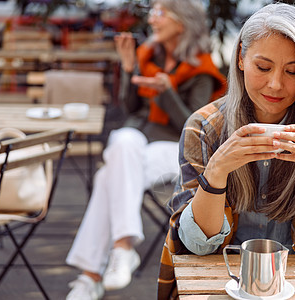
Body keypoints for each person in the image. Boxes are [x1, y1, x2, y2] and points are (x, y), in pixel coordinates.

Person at [157, 3, 295, 299]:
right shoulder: (205, 127)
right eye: (263, 67)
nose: (276, 85)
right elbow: (198, 245)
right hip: (217, 285)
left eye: (293, 71)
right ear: (240, 57)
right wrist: (216, 171)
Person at [65, 0, 226, 299]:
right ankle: (123, 248)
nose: (152, 19)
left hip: (174, 149)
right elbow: (130, 108)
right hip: (138, 144)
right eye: (152, 12)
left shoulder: (200, 68)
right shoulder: (148, 56)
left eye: (160, 13)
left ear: (182, 21)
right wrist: (128, 70)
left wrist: (167, 93)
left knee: (107, 177)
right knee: (124, 140)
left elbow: (195, 127)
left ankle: (90, 277)